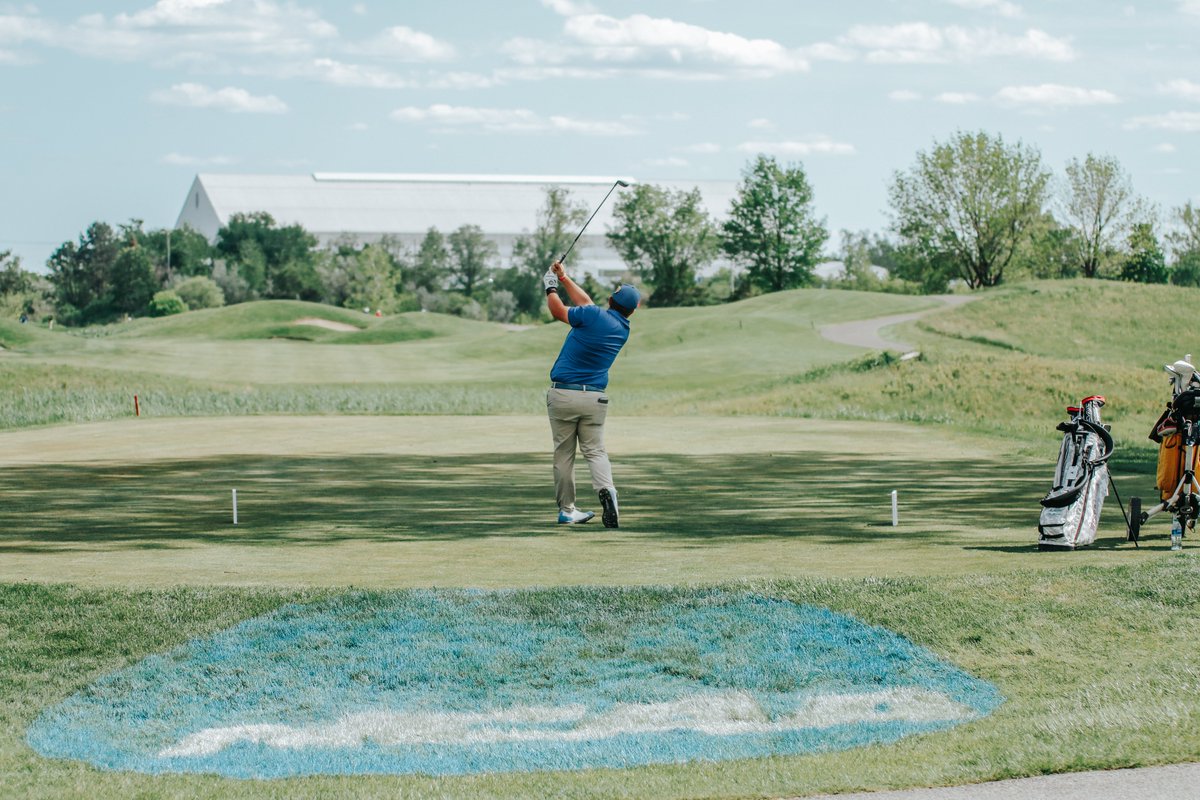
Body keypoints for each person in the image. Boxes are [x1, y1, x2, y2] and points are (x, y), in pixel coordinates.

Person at [543, 261, 639, 528]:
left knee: (564, 453)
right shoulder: (622, 329)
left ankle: (567, 510)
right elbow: (586, 305)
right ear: (634, 310)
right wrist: (564, 278)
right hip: (595, 398)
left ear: (610, 300)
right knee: (596, 451)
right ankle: (608, 492)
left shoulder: (594, 315)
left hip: (563, 394)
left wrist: (550, 286)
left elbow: (559, 312)